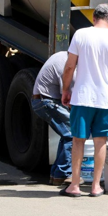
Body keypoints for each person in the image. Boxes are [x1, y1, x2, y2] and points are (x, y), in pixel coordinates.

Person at [60, 4, 108, 197]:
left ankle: (74, 185)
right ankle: (96, 186)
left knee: (78, 141)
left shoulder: (81, 35)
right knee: (101, 141)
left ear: (93, 17)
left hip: (82, 97)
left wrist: (66, 90)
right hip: (105, 100)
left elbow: (69, 66)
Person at [31, 51, 74, 185]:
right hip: (47, 101)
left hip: (42, 100)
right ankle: (62, 174)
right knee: (72, 134)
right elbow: (69, 99)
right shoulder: (68, 66)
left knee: (66, 134)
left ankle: (56, 175)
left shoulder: (63, 55)